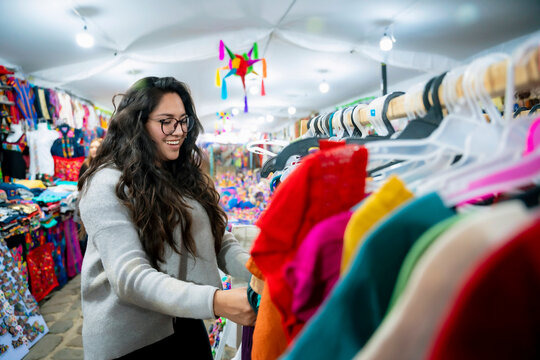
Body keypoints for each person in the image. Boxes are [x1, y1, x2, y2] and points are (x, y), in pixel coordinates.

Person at [78, 77, 255, 359]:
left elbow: (218, 239)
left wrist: (259, 269)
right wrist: (215, 301)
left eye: (183, 120)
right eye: (166, 121)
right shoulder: (106, 184)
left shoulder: (183, 175)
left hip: (185, 321)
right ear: (138, 124)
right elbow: (129, 277)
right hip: (132, 339)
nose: (179, 130)